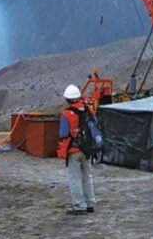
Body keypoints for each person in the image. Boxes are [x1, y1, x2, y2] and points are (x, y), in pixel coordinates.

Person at [57, 84, 97, 216]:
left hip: (74, 150)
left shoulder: (66, 114)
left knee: (75, 178)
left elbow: (63, 133)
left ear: (67, 98)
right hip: (87, 149)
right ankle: (90, 203)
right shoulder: (88, 109)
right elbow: (95, 124)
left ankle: (79, 205)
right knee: (87, 176)